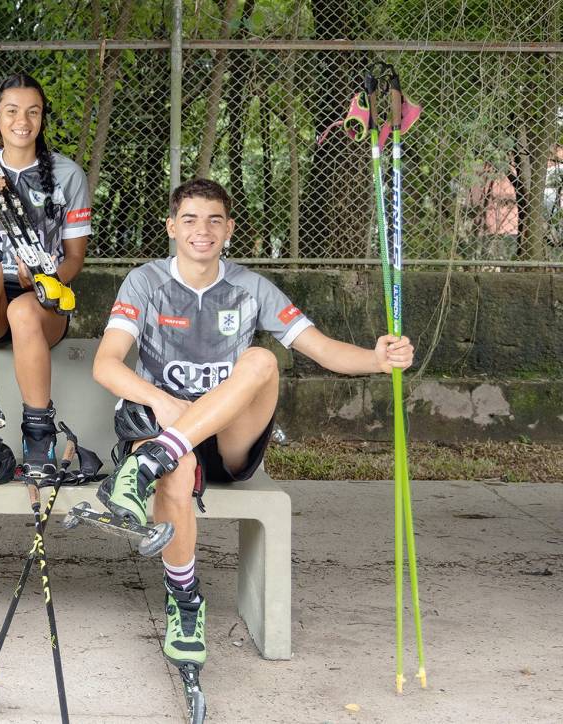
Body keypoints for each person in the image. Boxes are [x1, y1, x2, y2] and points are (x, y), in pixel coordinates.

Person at [92, 178, 414, 671]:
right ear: (172, 227)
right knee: (174, 471)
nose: (202, 230)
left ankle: (154, 459)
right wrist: (162, 402)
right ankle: (185, 601)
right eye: (190, 219)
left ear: (229, 229)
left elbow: (322, 349)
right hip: (165, 428)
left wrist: (377, 359)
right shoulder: (145, 282)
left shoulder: (251, 287)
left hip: (226, 441)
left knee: (262, 359)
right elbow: (106, 365)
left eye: (214, 220)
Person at [0, 72, 91, 478]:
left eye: (33, 112)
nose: (22, 121)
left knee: (24, 311)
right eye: (11, 111)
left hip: (43, 302)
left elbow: (75, 259)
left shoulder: (67, 174)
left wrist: (48, 276)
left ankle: (39, 435)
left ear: (42, 117)